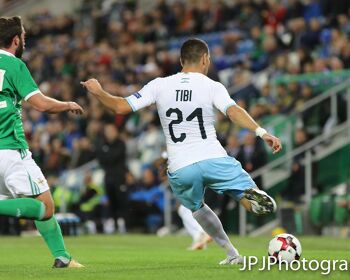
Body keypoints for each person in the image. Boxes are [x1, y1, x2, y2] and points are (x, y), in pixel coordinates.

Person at [81, 38, 282, 265]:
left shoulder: (159, 85)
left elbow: (120, 106)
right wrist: (261, 131)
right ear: (206, 59)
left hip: (181, 166)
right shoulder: (212, 86)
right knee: (243, 193)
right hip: (213, 157)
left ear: (180, 60)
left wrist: (98, 91)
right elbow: (233, 112)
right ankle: (249, 198)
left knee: (196, 208)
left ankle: (232, 254)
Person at [0, 16, 83, 268]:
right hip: (10, 150)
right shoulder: (13, 65)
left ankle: (62, 257)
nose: (24, 41)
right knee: (45, 206)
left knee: (40, 198)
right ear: (16, 40)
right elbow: (41, 104)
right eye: (23, 37)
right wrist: (67, 104)